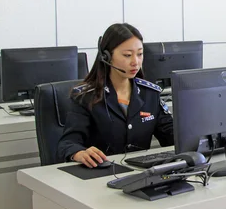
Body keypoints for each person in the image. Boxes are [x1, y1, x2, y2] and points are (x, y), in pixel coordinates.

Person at [57, 23, 173, 168]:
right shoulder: (86, 97)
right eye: (127, 55)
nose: (135, 62)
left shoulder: (150, 94)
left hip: (141, 175)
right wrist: (79, 153)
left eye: (140, 54)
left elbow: (172, 135)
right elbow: (68, 143)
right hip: (100, 174)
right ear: (107, 56)